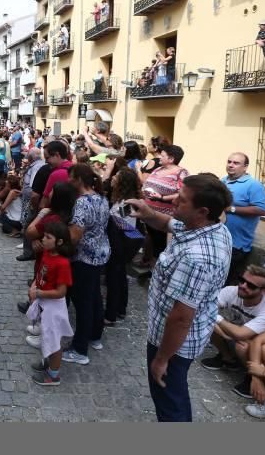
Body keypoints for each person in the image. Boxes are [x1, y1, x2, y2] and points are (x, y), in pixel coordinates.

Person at [126, 173, 233, 421]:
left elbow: (182, 317)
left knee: (169, 401)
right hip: (171, 334)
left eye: (182, 200)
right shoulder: (207, 225)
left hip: (173, 342)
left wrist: (162, 358)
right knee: (172, 395)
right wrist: (149, 212)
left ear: (202, 211)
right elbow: (169, 224)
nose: (174, 201)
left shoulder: (199, 258)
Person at [200, 265, 265, 398]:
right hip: (244, 335)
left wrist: (215, 317)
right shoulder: (231, 291)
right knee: (208, 323)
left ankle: (253, 377)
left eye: (251, 286)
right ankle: (228, 359)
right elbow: (203, 310)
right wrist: (219, 328)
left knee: (242, 346)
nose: (243, 286)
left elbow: (240, 334)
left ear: (264, 291)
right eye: (242, 280)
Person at [63, 164, 111, 367]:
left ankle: (80, 348)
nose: (68, 181)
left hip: (84, 257)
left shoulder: (82, 203)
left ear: (79, 180)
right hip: (100, 253)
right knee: (94, 297)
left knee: (82, 302)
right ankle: (94, 335)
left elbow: (75, 235)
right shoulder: (101, 198)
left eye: (71, 177)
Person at [27, 222, 75, 386]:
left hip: (53, 308)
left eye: (48, 237)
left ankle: (53, 375)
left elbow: (61, 292)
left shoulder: (62, 264)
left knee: (54, 342)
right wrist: (34, 285)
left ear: (59, 242)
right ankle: (46, 361)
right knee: (46, 336)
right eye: (44, 236)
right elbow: (40, 273)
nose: (44, 239)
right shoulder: (47, 253)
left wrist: (39, 293)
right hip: (44, 304)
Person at [221, 152, 265, 283]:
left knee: (224, 281)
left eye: (236, 163)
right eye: (229, 161)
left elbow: (262, 210)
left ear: (245, 167)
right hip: (219, 239)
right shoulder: (223, 181)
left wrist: (231, 209)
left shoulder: (253, 185)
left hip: (236, 244)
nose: (231, 165)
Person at [104, 168, 142, 326]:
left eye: (116, 176)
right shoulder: (122, 200)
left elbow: (125, 226)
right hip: (119, 245)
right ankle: (120, 309)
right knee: (119, 276)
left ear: (122, 183)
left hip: (120, 246)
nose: (113, 177)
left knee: (114, 278)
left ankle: (111, 314)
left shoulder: (127, 204)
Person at [141, 145, 189, 270]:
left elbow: (182, 193)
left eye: (162, 156)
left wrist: (161, 197)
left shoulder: (181, 173)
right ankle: (151, 268)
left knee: (161, 245)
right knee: (152, 241)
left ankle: (157, 271)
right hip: (150, 213)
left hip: (165, 217)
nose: (159, 157)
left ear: (171, 159)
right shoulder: (158, 169)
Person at [39, 140, 73, 208]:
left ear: (57, 155)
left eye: (47, 158)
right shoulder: (74, 168)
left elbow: (43, 204)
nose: (46, 161)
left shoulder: (56, 174)